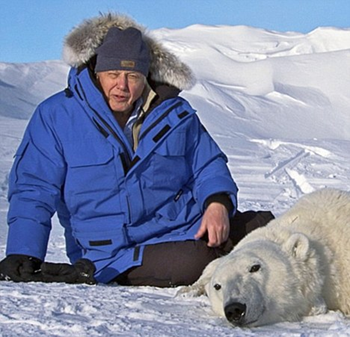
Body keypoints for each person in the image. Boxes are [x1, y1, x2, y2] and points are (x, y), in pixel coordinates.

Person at [0, 14, 273, 287]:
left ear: (145, 77)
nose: (122, 85)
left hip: (181, 227)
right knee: (200, 258)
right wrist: (23, 253)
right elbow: (33, 188)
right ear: (96, 72)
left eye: (132, 76)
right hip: (111, 253)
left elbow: (208, 164)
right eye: (113, 74)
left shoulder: (175, 114)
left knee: (268, 228)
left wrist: (217, 203)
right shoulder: (56, 116)